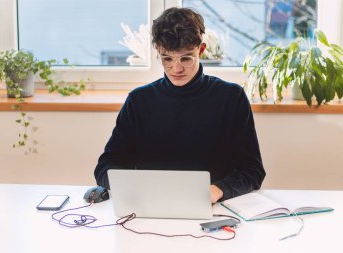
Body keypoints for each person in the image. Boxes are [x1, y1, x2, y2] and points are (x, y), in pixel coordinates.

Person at [94, 7, 265, 204]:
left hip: (215, 209)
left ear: (201, 50)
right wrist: (133, 186)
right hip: (149, 208)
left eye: (186, 58)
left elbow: (252, 171)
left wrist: (218, 190)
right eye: (167, 59)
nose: (176, 68)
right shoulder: (139, 101)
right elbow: (105, 167)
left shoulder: (231, 97)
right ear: (158, 52)